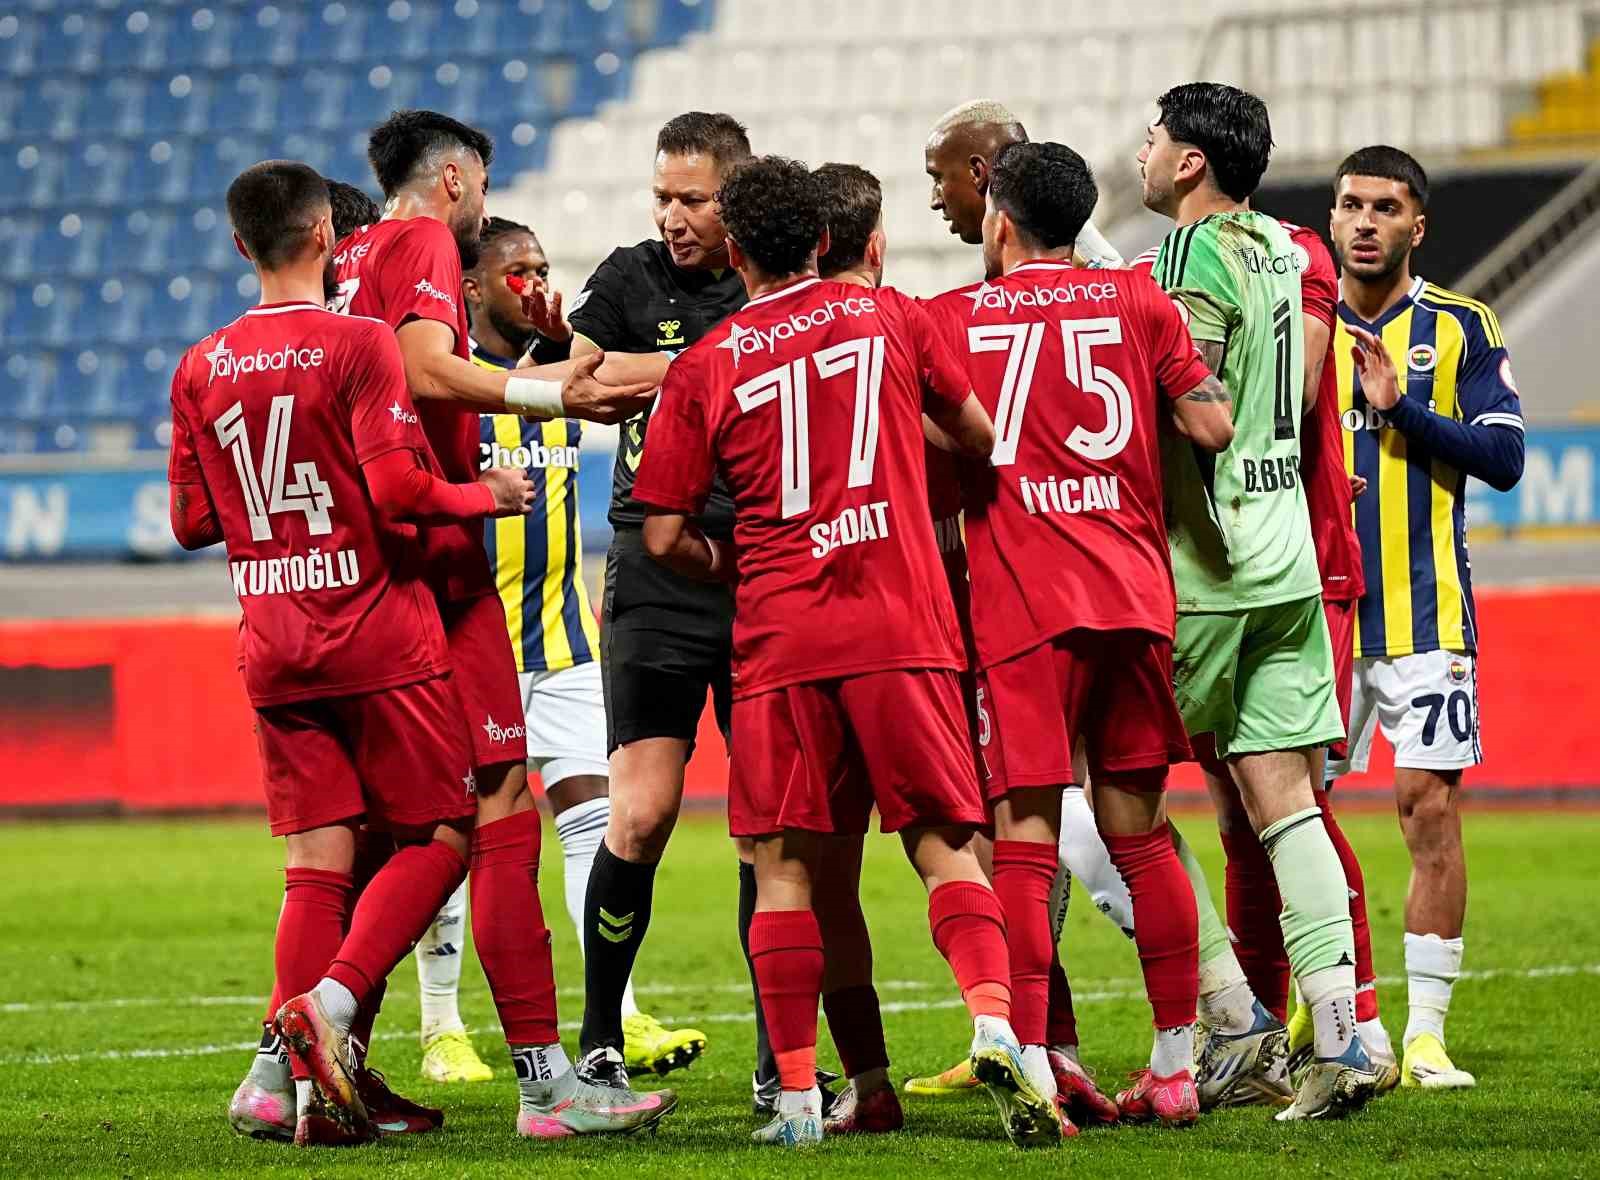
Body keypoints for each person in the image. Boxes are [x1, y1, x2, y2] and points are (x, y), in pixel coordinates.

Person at [633, 153, 1072, 1150]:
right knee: (946, 844)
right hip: (901, 623)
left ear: (735, 249)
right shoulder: (892, 317)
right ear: (826, 242)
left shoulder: (705, 363)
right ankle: (996, 1026)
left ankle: (803, 1096)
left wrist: (731, 556)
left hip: (782, 636)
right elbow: (976, 432)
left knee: (792, 869)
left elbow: (660, 534)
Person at [327, 109, 672, 1137]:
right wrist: (544, 402)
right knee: (488, 814)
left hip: (354, 578)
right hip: (440, 577)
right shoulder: (426, 242)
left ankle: (301, 1061)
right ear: (455, 177)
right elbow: (428, 373)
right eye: (481, 180)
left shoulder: (345, 258)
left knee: (368, 840)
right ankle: (535, 1078)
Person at [178, 159, 532, 1145]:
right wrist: (484, 497)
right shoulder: (359, 341)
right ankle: (323, 1010)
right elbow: (396, 494)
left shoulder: (199, 364)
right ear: (330, 235)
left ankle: (276, 1088)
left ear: (242, 245)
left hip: (272, 638)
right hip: (371, 630)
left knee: (317, 863)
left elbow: (192, 516)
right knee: (443, 831)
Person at [923, 140, 1235, 1127]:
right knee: (1140, 836)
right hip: (1137, 600)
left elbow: (916, 432)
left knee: (1021, 841)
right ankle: (1178, 1064)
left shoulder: (951, 318)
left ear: (998, 221)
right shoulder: (1140, 302)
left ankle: (1035, 1062)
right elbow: (1213, 425)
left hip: (1024, 610)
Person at [539, 110, 806, 1108]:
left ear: (733, 199)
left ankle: (777, 1063)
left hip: (759, 563)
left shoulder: (770, 277)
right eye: (662, 196)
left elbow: (642, 374)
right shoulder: (627, 274)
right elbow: (581, 374)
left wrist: (660, 369)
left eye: (691, 198)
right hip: (654, 574)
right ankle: (601, 1038)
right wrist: (712, 357)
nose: (672, 216)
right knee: (642, 812)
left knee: (766, 829)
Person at [406, 214, 705, 1085]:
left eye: (543, 267)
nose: (538, 283)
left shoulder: (566, 378)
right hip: (473, 644)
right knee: (458, 836)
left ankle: (621, 1012)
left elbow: (660, 385)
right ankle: (440, 1027)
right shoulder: (449, 390)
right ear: (468, 290)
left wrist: (580, 346)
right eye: (517, 272)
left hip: (567, 643)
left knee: (596, 826)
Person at [1138, 81, 1377, 1120]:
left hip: (1205, 566)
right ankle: (1338, 1041)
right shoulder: (1289, 249)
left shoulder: (1189, 255)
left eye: (1152, 139)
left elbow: (1197, 405)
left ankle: (1232, 1021)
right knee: (1285, 809)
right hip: (1288, 560)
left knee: (1116, 810)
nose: (1141, 153)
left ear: (1190, 160)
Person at [907, 99, 1134, 1110]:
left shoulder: (979, 315)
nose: (937, 195)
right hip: (1107, 587)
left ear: (993, 181)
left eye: (945, 175)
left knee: (1041, 822)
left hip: (1029, 598)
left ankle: (1191, 1008)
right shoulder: (1107, 289)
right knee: (1057, 821)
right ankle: (1050, 1038)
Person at [1327, 145, 1525, 1090]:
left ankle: (1425, 1037)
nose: (1366, 222)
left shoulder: (1462, 327)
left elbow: (1504, 460)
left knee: (1428, 812)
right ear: (1332, 220)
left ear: (1418, 225)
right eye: (1351, 205)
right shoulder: (1294, 326)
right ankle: (1328, 1017)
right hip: (1313, 615)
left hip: (1425, 616)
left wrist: (1401, 410)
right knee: (1287, 819)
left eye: (1386, 208)